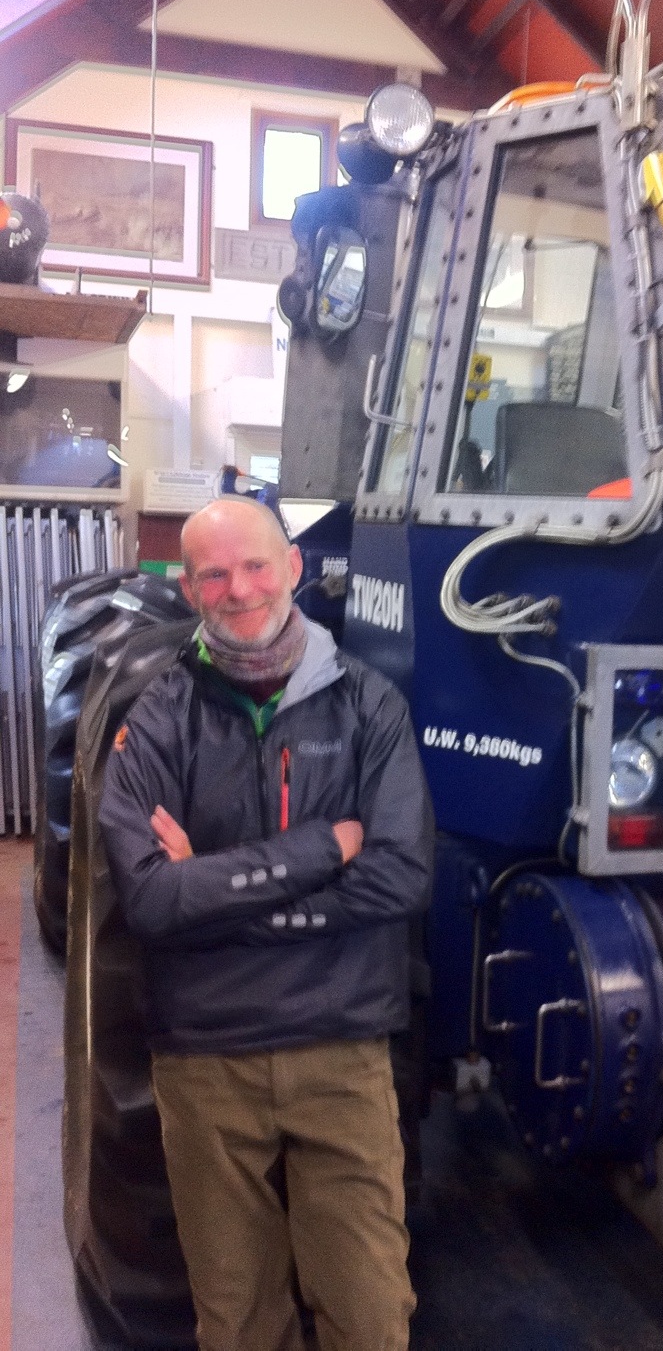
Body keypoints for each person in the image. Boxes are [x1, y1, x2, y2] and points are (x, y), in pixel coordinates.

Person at [99, 496, 434, 1351]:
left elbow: (400, 875)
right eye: (213, 573)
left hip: (341, 1050)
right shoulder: (156, 721)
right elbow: (151, 902)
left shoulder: (371, 707)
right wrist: (323, 847)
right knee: (237, 1318)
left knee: (371, 1313)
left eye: (255, 565)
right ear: (188, 589)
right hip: (205, 1063)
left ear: (293, 567)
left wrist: (212, 898)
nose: (239, 589)